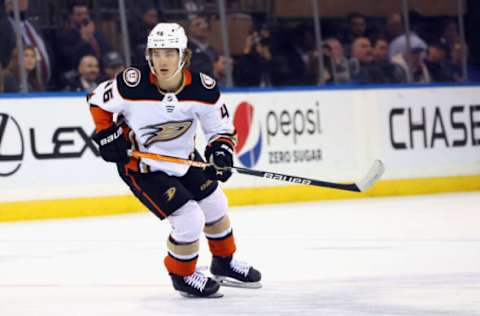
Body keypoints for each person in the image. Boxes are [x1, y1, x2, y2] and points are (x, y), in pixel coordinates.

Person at [87, 22, 261, 298]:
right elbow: (97, 101)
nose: (162, 60)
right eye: (156, 53)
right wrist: (107, 135)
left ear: (183, 55)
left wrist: (221, 151)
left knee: (216, 203)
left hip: (185, 160)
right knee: (189, 217)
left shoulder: (204, 89)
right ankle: (182, 275)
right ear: (148, 55)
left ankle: (224, 262)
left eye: (169, 53)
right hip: (143, 168)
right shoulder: (132, 83)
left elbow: (221, 129)